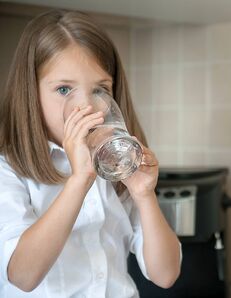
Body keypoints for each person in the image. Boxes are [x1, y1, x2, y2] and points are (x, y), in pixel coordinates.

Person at [0, 9, 181, 297]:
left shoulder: (118, 167)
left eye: (100, 90)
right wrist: (79, 180)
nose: (86, 107)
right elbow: (22, 275)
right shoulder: (8, 170)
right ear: (30, 93)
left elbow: (166, 274)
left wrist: (145, 195)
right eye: (63, 89)